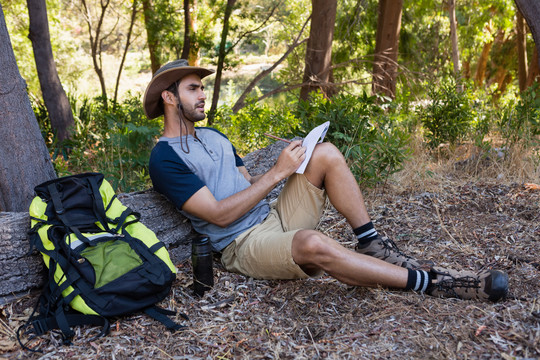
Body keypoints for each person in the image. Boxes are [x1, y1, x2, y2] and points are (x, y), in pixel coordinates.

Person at [144, 59, 509, 302]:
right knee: (312, 243)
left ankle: (370, 243)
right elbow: (219, 216)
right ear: (168, 96)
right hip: (241, 245)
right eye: (193, 88)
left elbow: (245, 182)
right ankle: (434, 283)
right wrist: (278, 172)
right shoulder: (164, 158)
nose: (204, 94)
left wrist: (296, 159)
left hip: (271, 217)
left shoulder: (214, 136)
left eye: (202, 88)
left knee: (326, 153)